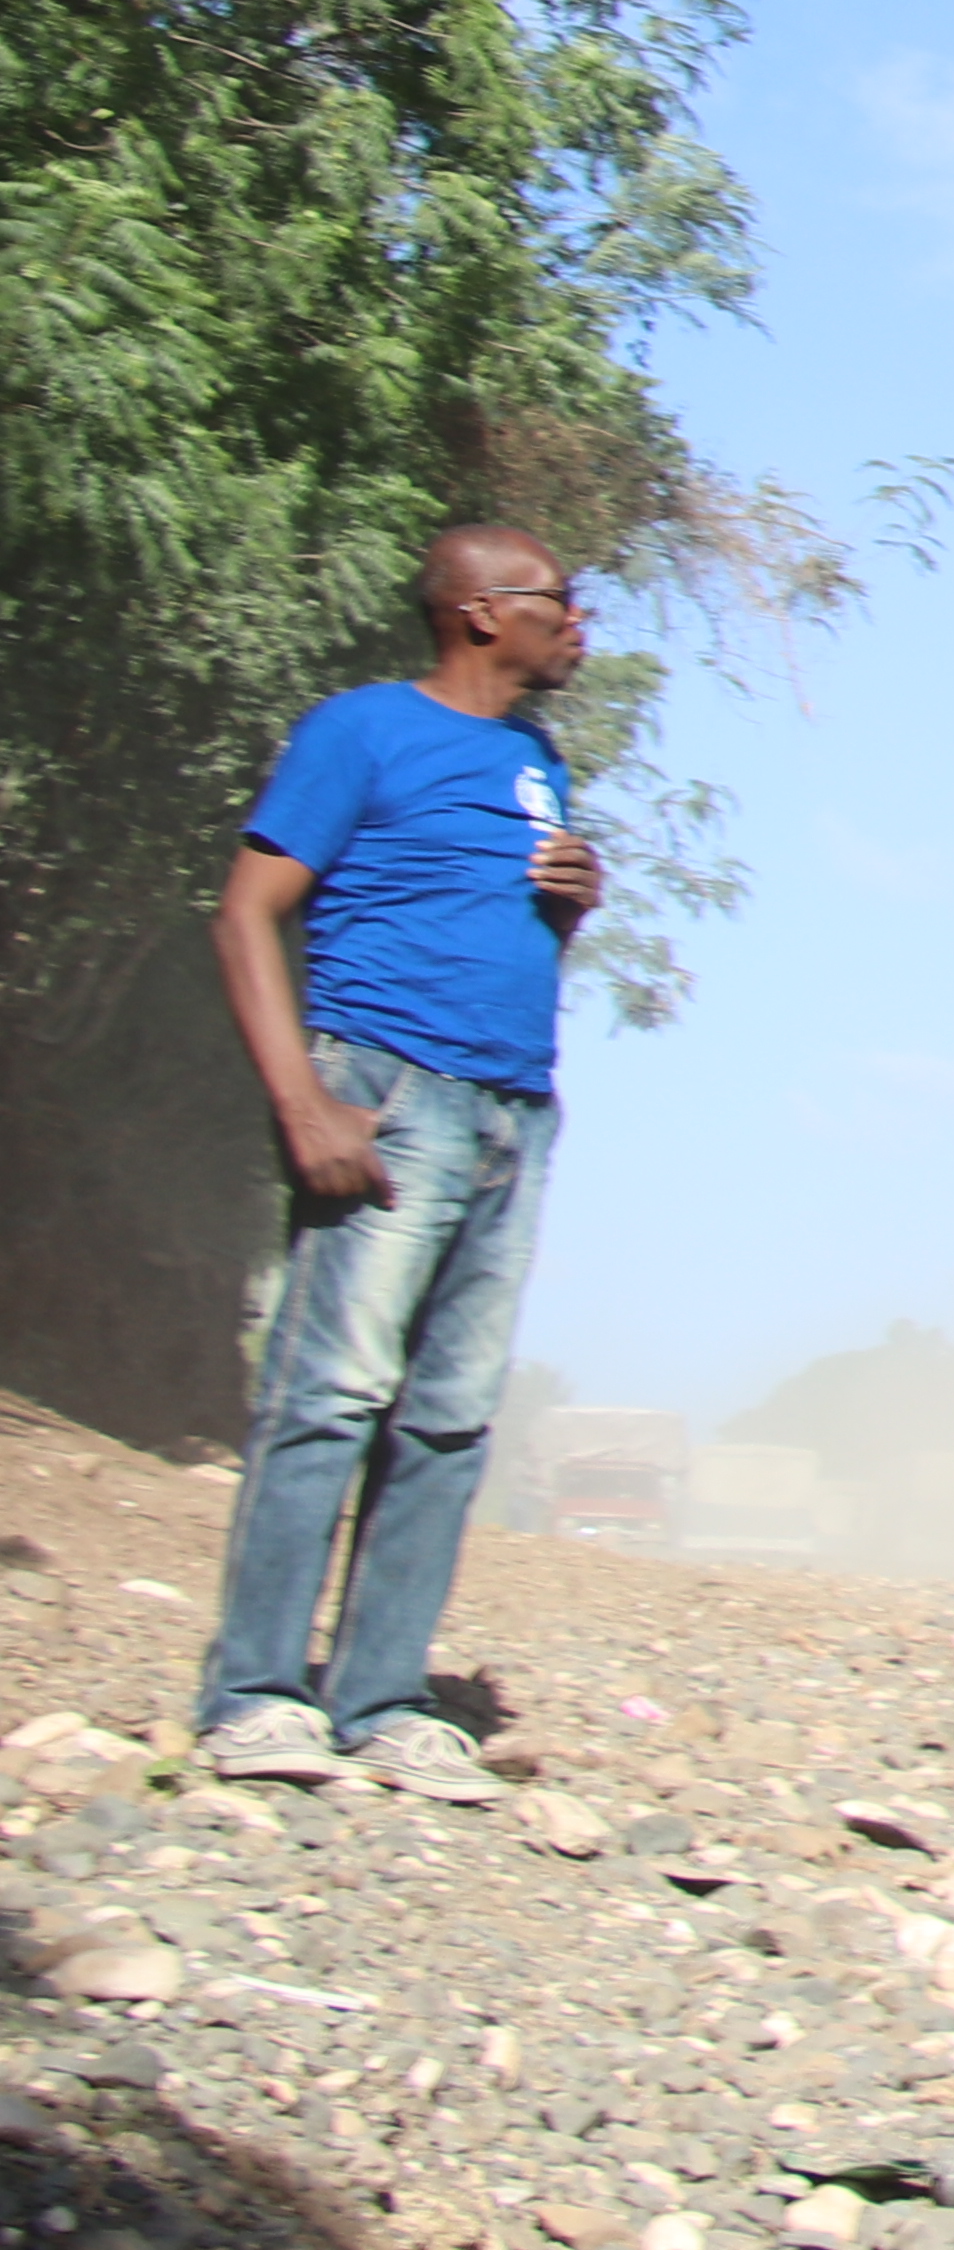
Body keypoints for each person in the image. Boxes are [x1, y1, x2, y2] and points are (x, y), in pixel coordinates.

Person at [190, 523, 610, 1802]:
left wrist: (573, 901)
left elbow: (489, 915)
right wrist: (304, 1098)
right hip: (389, 1088)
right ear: (481, 611)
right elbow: (247, 911)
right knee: (333, 1392)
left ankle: (380, 1701)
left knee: (447, 1419)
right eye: (559, 600)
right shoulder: (360, 729)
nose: (579, 623)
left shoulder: (537, 759)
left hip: (512, 1109)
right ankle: (256, 1696)